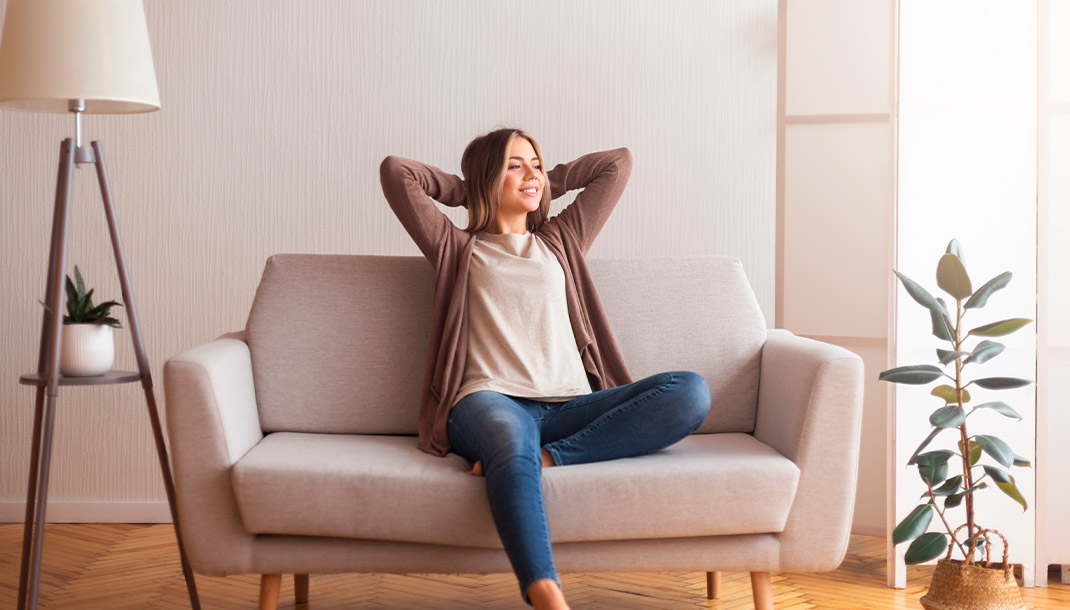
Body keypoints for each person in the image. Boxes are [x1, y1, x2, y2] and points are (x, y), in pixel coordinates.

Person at [379, 128, 711, 610]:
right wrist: (469, 185)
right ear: (485, 180)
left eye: (535, 163)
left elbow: (616, 163)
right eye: (515, 165)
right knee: (510, 439)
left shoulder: (561, 239)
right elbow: (397, 172)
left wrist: (542, 178)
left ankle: (551, 457)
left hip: (571, 405)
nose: (531, 174)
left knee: (689, 391)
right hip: (488, 399)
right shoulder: (455, 247)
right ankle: (546, 594)